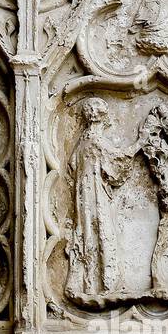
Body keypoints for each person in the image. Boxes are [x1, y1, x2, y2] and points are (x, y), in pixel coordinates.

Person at [66, 98, 131, 299]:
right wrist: (140, 143)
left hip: (83, 192)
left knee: (88, 231)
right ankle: (107, 283)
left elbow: (72, 166)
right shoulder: (94, 140)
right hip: (94, 192)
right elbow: (117, 162)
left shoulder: (83, 140)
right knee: (101, 229)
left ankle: (90, 283)